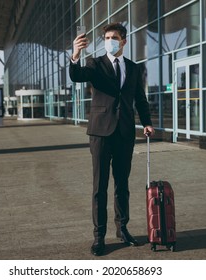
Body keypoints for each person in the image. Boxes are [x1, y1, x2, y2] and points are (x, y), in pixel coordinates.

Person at [69, 22, 155, 256]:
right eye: (106, 38)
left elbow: (140, 98)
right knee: (100, 187)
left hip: (125, 133)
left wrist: (146, 122)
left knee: (122, 185)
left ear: (124, 41)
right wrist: (75, 55)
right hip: (100, 133)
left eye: (114, 37)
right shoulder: (95, 64)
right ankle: (99, 237)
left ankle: (122, 229)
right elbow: (77, 76)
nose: (109, 41)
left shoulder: (133, 68)